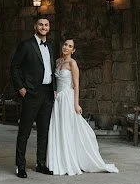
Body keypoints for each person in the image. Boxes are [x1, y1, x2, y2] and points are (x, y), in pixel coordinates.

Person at [47, 38, 118, 176]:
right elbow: (55, 81)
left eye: (70, 46)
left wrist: (76, 103)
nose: (66, 47)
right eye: (65, 44)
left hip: (68, 98)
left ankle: (71, 160)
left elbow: (76, 85)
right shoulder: (57, 62)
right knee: (58, 128)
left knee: (68, 128)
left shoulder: (72, 63)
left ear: (73, 50)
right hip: (58, 99)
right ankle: (58, 160)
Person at [10, 17, 55, 179]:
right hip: (31, 93)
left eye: (46, 25)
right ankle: (20, 166)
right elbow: (14, 67)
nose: (43, 27)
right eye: (41, 24)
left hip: (48, 94)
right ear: (35, 26)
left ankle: (41, 164)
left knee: (44, 131)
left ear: (49, 28)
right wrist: (21, 89)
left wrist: (55, 89)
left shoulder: (51, 46)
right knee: (24, 132)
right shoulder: (26, 45)